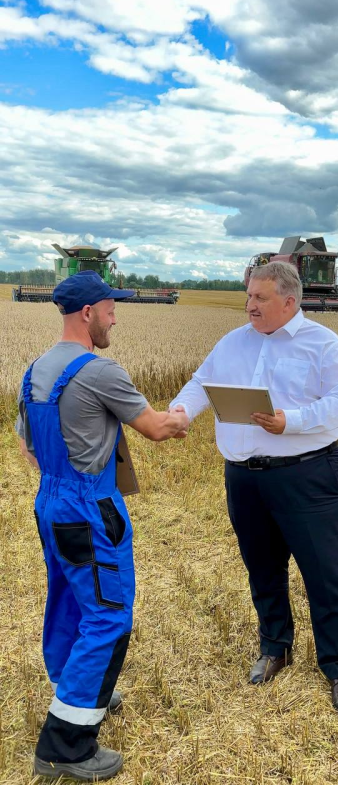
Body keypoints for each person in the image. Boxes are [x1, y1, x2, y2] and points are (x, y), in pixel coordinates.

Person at [16, 270, 189, 781]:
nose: (116, 318)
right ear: (88, 312)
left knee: (69, 598)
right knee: (109, 615)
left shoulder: (35, 371)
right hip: (90, 507)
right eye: (111, 309)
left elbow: (28, 448)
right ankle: (65, 746)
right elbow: (155, 427)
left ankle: (76, 687)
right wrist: (181, 418)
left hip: (51, 501)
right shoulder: (100, 371)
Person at [170, 261, 338, 712]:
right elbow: (201, 383)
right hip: (244, 477)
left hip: (307, 474)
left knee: (325, 572)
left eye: (260, 297)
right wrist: (180, 411)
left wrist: (290, 421)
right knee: (262, 567)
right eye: (248, 296)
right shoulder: (232, 342)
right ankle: (276, 647)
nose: (250, 305)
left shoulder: (323, 344)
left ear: (289, 301)